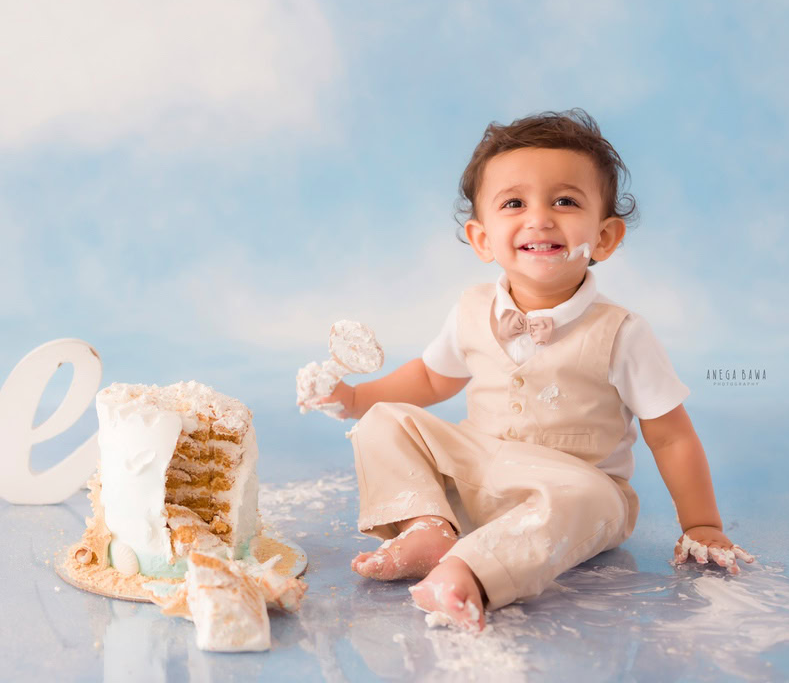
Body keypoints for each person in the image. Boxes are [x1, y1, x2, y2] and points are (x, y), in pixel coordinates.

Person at [312, 109, 754, 632]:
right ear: (481, 239)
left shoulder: (622, 333)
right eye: (514, 203)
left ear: (606, 237)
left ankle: (468, 573)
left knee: (593, 499)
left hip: (574, 487)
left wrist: (702, 523)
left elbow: (671, 435)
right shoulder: (471, 309)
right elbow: (431, 380)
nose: (540, 218)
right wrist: (357, 399)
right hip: (479, 471)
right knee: (386, 420)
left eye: (565, 201)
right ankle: (427, 525)